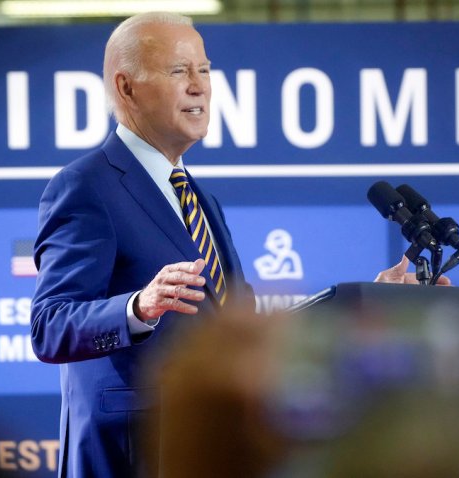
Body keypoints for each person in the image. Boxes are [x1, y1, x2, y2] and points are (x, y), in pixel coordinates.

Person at [30, 11, 432, 478]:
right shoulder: (86, 185)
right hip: (134, 453)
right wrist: (137, 307)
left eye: (204, 70)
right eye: (179, 71)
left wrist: (364, 302)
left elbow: (237, 331)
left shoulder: (201, 200)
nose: (199, 86)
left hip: (213, 447)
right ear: (126, 87)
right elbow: (49, 325)